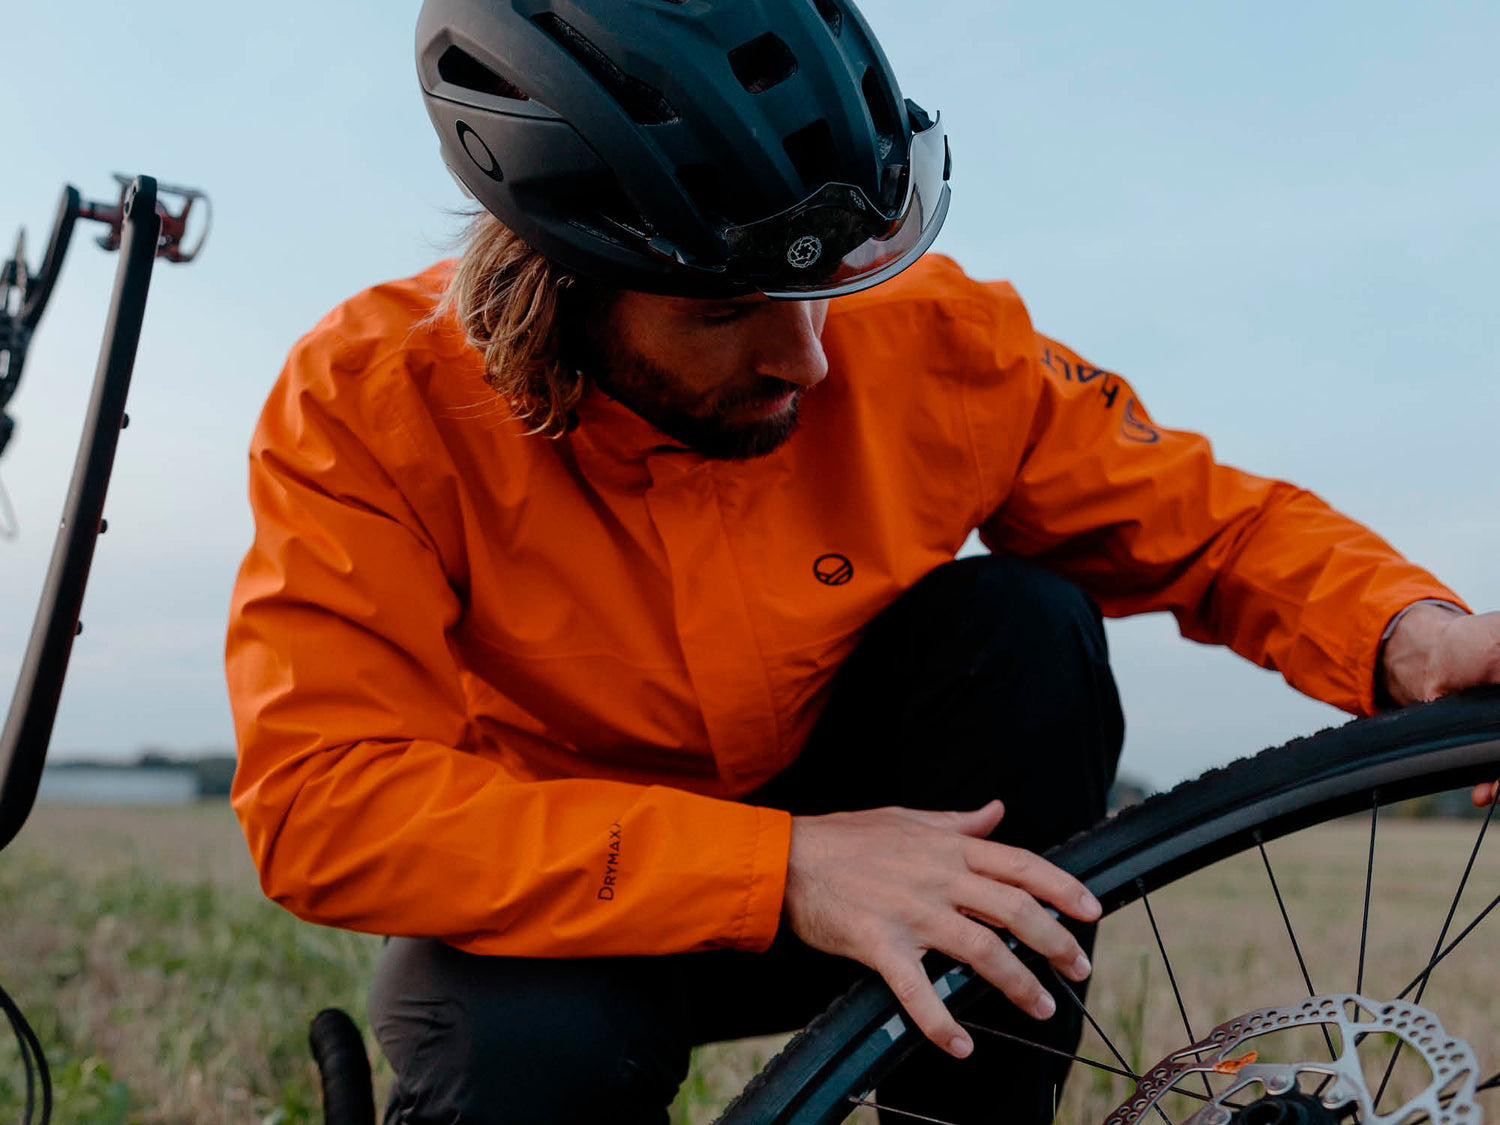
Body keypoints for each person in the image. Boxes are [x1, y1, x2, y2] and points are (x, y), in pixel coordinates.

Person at [225, 1, 1500, 1122]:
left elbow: (1206, 522)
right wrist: (781, 872)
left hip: (908, 855)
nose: (806, 360)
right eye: (726, 310)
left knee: (1023, 627)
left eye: (823, 283)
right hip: (575, 906)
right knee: (516, 1069)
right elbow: (325, 800)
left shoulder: (935, 338)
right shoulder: (367, 402)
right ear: (556, 280)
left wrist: (1411, 636)